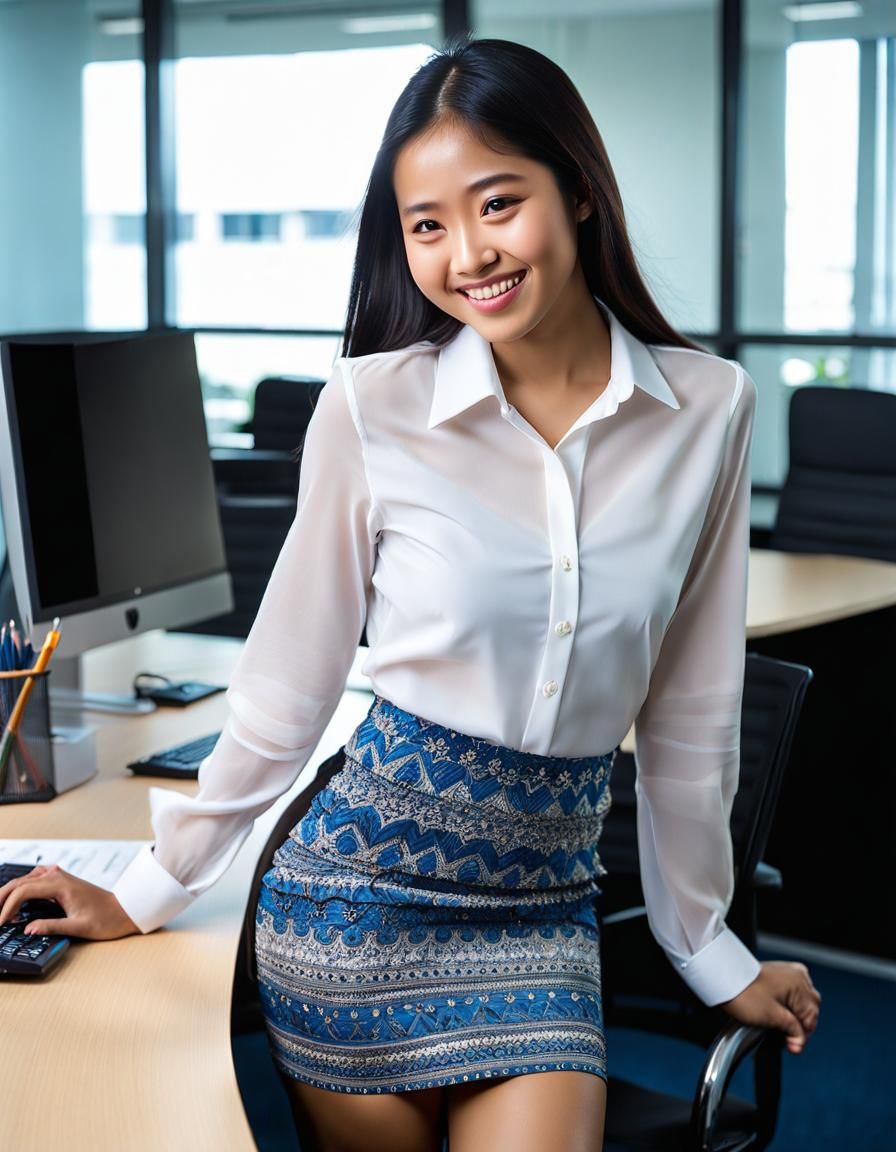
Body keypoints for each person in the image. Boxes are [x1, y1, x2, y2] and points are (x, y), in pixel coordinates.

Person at [0, 36, 819, 1152]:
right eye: (425, 224)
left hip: (540, 918)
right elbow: (289, 683)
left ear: (577, 192)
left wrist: (707, 950)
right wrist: (146, 888)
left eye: (496, 203)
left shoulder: (706, 410)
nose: (466, 253)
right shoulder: (371, 409)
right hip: (351, 908)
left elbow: (688, 716)